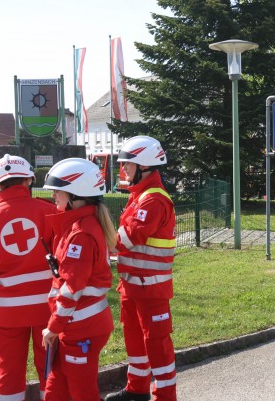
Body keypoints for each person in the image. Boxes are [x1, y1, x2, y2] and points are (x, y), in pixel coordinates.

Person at [0, 154, 55, 401]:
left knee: (9, 372)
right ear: (29, 180)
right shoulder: (50, 212)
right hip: (48, 308)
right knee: (50, 369)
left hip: (7, 313)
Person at [105, 136, 176, 401]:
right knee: (135, 342)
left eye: (127, 165)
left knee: (157, 346)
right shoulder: (139, 196)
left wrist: (95, 238)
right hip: (133, 285)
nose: (123, 169)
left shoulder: (153, 200)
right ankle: (136, 390)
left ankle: (165, 396)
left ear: (144, 167)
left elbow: (128, 237)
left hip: (151, 288)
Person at [41, 158, 117, 400]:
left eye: (57, 191)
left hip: (81, 328)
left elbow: (72, 289)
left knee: (82, 392)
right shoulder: (78, 226)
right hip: (75, 326)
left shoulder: (81, 235)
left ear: (75, 194)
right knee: (56, 389)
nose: (54, 196)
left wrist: (53, 328)